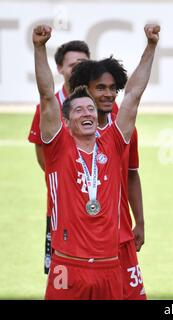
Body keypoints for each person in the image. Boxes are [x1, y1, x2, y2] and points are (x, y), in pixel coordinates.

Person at [32, 23, 159, 299]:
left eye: (90, 108)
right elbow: (45, 95)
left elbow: (134, 96)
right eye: (79, 109)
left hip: (108, 264)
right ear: (65, 119)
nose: (87, 112)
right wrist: (39, 48)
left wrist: (150, 46)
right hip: (67, 264)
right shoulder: (58, 146)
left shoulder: (112, 143)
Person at [69, 58, 147, 299]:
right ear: (85, 90)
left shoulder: (124, 130)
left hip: (121, 237)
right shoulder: (67, 136)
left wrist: (140, 221)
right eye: (100, 88)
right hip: (82, 242)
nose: (108, 94)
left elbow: (132, 175)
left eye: (113, 88)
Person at [27, 40, 94, 275]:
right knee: (61, 275)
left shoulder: (104, 105)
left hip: (101, 210)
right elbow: (42, 154)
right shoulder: (49, 106)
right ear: (60, 69)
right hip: (61, 209)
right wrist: (66, 181)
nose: (77, 69)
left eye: (83, 64)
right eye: (73, 64)